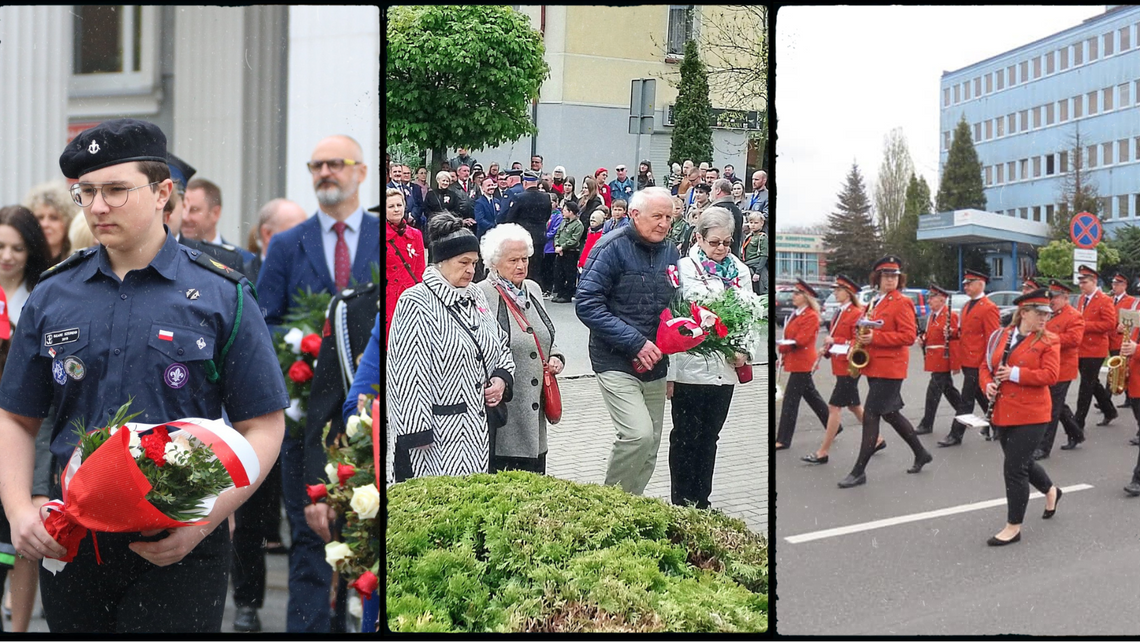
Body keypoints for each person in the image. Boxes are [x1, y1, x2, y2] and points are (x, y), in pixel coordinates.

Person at [0, 118, 287, 633]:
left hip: (178, 541)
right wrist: (20, 510)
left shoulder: (222, 295)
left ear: (163, 193)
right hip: (74, 541)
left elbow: (263, 425)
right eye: (85, 192)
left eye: (115, 190)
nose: (98, 207)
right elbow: (17, 417)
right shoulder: (52, 295)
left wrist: (206, 518)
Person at [257, 134, 380, 633]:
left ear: (361, 172)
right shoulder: (289, 245)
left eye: (336, 164)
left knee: (365, 541)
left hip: (365, 422)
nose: (326, 173)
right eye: (317, 165)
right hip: (305, 421)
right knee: (310, 546)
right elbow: (260, 325)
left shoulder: (380, 236)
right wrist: (297, 346)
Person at [388, 213, 514, 479]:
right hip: (437, 437)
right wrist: (415, 433)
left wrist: (502, 378)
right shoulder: (416, 301)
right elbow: (408, 373)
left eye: (475, 263)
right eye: (463, 262)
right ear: (441, 262)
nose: (471, 270)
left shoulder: (476, 294)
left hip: (479, 428)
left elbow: (499, 341)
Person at [576, 187, 679, 495]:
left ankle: (633, 507)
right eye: (657, 216)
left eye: (669, 218)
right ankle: (608, 506)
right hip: (615, 359)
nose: (663, 224)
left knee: (650, 447)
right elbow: (587, 304)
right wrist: (635, 343)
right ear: (634, 214)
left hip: (656, 364)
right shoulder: (611, 247)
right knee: (637, 435)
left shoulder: (671, 250)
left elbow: (676, 305)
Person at [667, 208, 754, 508]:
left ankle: (702, 502)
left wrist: (745, 349)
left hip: (725, 369)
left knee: (709, 437)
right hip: (690, 368)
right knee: (685, 438)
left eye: (727, 243)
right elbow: (673, 321)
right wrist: (670, 375)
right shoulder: (683, 267)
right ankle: (682, 501)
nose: (721, 249)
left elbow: (750, 316)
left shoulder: (740, 272)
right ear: (699, 238)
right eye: (714, 242)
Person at [475, 223, 564, 473]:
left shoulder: (532, 289)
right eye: (513, 260)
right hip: (505, 414)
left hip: (534, 413)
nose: (521, 266)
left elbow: (545, 334)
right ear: (494, 262)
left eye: (524, 259)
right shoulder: (481, 295)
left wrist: (556, 355)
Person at [838, 256, 933, 488]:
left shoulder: (902, 302)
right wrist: (861, 338)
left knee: (871, 416)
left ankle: (859, 470)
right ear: (877, 278)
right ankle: (921, 453)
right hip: (876, 366)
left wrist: (876, 337)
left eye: (894, 276)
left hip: (891, 369)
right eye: (886, 275)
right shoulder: (876, 302)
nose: (890, 279)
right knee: (890, 414)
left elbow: (908, 336)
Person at [978, 289, 1063, 545]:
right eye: (1039, 313)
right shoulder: (1000, 335)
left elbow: (1051, 376)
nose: (1044, 318)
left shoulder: (1049, 340)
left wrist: (1014, 373)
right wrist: (987, 385)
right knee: (1021, 463)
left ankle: (1013, 527)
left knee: (1014, 468)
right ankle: (1051, 491)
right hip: (1004, 412)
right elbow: (985, 366)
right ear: (1023, 313)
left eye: (1047, 313)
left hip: (1033, 413)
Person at [802, 274, 884, 464]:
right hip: (839, 365)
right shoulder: (840, 311)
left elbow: (856, 341)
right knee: (854, 406)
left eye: (838, 290)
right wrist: (827, 348)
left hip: (850, 366)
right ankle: (877, 439)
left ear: (848, 293)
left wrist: (835, 341)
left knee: (833, 407)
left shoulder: (856, 313)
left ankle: (823, 451)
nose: (835, 293)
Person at [939, 269, 1002, 446]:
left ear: (980, 284)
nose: (965, 286)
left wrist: (988, 364)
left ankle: (956, 434)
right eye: (965, 284)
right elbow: (965, 332)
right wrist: (952, 333)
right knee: (980, 396)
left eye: (969, 283)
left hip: (978, 362)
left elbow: (992, 339)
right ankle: (998, 425)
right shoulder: (967, 305)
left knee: (966, 400)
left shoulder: (989, 307)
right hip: (967, 359)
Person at [775, 279, 829, 450]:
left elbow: (801, 340)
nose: (793, 296)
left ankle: (783, 439)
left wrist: (783, 346)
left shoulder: (811, 316)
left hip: (803, 362)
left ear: (806, 297)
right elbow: (789, 335)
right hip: (796, 360)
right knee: (812, 397)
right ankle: (833, 426)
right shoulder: (797, 313)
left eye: (797, 294)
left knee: (790, 401)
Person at [1035, 279, 1085, 459]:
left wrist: (1048, 338)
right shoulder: (1049, 314)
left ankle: (1043, 447)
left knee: (1052, 408)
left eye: (1054, 298)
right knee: (1058, 405)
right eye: (1050, 297)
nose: (1051, 301)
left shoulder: (1074, 316)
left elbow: (1074, 340)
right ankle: (1076, 434)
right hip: (1048, 367)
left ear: (1065, 298)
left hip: (1063, 368)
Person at [1073, 264, 1118, 432]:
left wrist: (1084, 325)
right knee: (1093, 382)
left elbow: (1109, 324)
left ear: (1094, 281)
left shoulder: (1105, 300)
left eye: (1084, 282)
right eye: (1080, 282)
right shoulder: (1081, 299)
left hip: (1096, 349)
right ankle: (1109, 410)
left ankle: (1078, 423)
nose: (1081, 285)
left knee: (1085, 386)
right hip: (1081, 348)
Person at [915, 285, 963, 435]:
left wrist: (952, 332)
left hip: (943, 358)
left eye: (932, 297)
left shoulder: (950, 315)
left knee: (933, 392)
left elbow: (957, 336)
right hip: (934, 357)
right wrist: (923, 338)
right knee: (949, 390)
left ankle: (927, 423)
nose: (929, 300)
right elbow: (931, 335)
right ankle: (965, 414)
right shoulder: (932, 316)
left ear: (942, 299)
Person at [181, 178, 257, 264]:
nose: (185, 218)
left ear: (215, 213)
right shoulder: (171, 254)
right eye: (183, 208)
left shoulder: (245, 261)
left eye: (193, 210)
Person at [384, 187, 426, 343]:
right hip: (388, 299)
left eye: (399, 205)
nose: (396, 209)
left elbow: (420, 270)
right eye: (391, 206)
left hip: (410, 296)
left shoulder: (415, 235)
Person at [502, 171, 552, 297]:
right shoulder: (546, 197)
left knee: (523, 265)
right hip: (540, 237)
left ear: (525, 183)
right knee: (536, 267)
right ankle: (535, 292)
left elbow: (510, 218)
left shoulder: (520, 197)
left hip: (523, 238)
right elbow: (547, 216)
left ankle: (523, 291)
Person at [0, 207, 51, 330]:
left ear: (32, 250)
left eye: (17, 249)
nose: (7, 256)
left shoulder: (43, 294)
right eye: (0, 246)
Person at [23, 181, 79, 267]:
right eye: (40, 217)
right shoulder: (23, 261)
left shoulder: (77, 260)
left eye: (54, 218)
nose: (45, 224)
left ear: (68, 222)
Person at [1109, 273, 1135, 409]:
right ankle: (1128, 397)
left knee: (1121, 369)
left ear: (1124, 285)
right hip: (1110, 339)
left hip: (1121, 340)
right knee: (1116, 369)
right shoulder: (1110, 299)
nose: (1114, 286)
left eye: (1118, 284)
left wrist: (1124, 327)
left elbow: (1134, 321)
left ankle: (1106, 400)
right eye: (1113, 284)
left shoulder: (1131, 301)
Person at [551, 201, 583, 303]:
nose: (563, 212)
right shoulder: (564, 222)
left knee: (569, 274)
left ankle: (567, 295)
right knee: (559, 273)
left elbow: (574, 240)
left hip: (571, 252)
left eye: (565, 210)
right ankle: (559, 293)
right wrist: (557, 245)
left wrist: (563, 247)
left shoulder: (578, 225)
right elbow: (558, 234)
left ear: (571, 212)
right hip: (560, 251)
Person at [708, 179, 744, 257]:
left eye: (712, 189)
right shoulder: (737, 210)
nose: (710, 192)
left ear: (718, 190)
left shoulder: (715, 210)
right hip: (732, 257)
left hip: (715, 257)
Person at [540, 194, 562, 296]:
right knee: (542, 268)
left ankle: (549, 288)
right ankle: (543, 287)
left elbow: (554, 231)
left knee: (549, 269)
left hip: (550, 246)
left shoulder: (558, 216)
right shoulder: (544, 214)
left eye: (552, 202)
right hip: (542, 245)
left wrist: (544, 235)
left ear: (556, 203)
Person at [741, 212, 767, 296]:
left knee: (759, 292)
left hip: (757, 267)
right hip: (748, 265)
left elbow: (764, 256)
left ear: (762, 223)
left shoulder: (762, 237)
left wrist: (758, 273)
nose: (753, 225)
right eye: (751, 222)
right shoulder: (749, 236)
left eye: (756, 223)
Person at [577, 206, 603, 271]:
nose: (592, 222)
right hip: (586, 260)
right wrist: (581, 262)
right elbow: (586, 248)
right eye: (591, 220)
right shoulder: (590, 231)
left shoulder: (602, 233)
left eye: (594, 221)